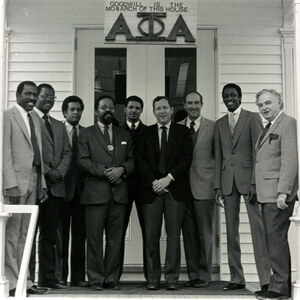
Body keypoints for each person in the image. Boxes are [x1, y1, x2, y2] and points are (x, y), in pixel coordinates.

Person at [214, 83, 270, 291]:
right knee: (231, 231)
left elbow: (259, 153)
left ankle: (265, 280)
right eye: (226, 95)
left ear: (239, 97)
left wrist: (256, 181)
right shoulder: (220, 124)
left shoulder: (252, 117)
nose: (229, 98)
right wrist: (217, 186)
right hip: (228, 182)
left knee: (258, 229)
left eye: (233, 95)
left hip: (249, 182)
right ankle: (237, 278)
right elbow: (218, 156)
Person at [135, 96, 193, 291]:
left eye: (165, 107)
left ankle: (171, 279)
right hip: (151, 192)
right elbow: (140, 160)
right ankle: (152, 279)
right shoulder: (145, 133)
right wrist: (154, 182)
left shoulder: (183, 132)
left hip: (175, 190)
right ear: (153, 112)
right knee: (151, 237)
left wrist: (168, 178)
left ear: (171, 109)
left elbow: (186, 159)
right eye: (158, 108)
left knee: (173, 237)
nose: (161, 111)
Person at [77, 95, 134, 291]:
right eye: (103, 107)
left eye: (110, 107)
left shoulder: (123, 134)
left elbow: (132, 160)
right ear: (96, 111)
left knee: (115, 239)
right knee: (93, 239)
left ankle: (111, 279)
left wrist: (122, 169)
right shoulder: (86, 134)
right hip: (94, 195)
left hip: (118, 194)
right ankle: (95, 279)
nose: (107, 110)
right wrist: (105, 171)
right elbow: (82, 161)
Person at [3, 81, 47, 296]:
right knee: (11, 234)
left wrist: (43, 184)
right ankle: (11, 282)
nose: (32, 98)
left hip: (34, 179)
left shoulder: (35, 118)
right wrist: (9, 183)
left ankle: (25, 281)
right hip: (16, 183)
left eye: (35, 94)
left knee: (26, 234)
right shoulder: (7, 116)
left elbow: (38, 154)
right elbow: (5, 153)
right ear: (18, 94)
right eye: (28, 94)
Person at [254, 89, 298, 300]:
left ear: (279, 103)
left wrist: (283, 192)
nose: (264, 108)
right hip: (266, 194)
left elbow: (289, 160)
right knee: (274, 240)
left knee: (276, 240)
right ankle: (279, 283)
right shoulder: (269, 127)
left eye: (268, 103)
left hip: (277, 195)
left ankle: (280, 288)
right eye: (261, 105)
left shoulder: (287, 123)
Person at [31, 83, 72, 289]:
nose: (49, 99)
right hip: (36, 186)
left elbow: (67, 152)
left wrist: (59, 172)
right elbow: (32, 152)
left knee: (49, 235)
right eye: (45, 96)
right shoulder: (29, 120)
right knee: (29, 234)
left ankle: (48, 278)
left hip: (56, 188)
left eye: (52, 97)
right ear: (37, 96)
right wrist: (48, 171)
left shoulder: (58, 124)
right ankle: (28, 280)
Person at [179, 91, 215, 288]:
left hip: (205, 187)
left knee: (204, 233)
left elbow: (218, 157)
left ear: (202, 104)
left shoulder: (213, 126)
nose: (193, 106)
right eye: (189, 103)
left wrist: (217, 187)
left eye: (196, 103)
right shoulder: (178, 128)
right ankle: (193, 274)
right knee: (189, 234)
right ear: (184, 105)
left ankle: (205, 274)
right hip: (183, 189)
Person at [55, 96, 89, 287]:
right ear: (65, 112)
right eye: (72, 109)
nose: (76, 113)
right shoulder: (58, 131)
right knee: (61, 235)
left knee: (80, 235)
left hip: (83, 192)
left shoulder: (87, 133)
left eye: (79, 110)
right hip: (61, 190)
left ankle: (78, 276)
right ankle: (60, 276)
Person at [119, 95, 147, 281]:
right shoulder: (117, 130)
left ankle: (150, 276)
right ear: (125, 109)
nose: (134, 110)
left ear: (141, 110)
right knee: (118, 231)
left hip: (144, 187)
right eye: (131, 107)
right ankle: (115, 275)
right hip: (122, 187)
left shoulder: (148, 131)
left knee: (149, 232)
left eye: (137, 108)